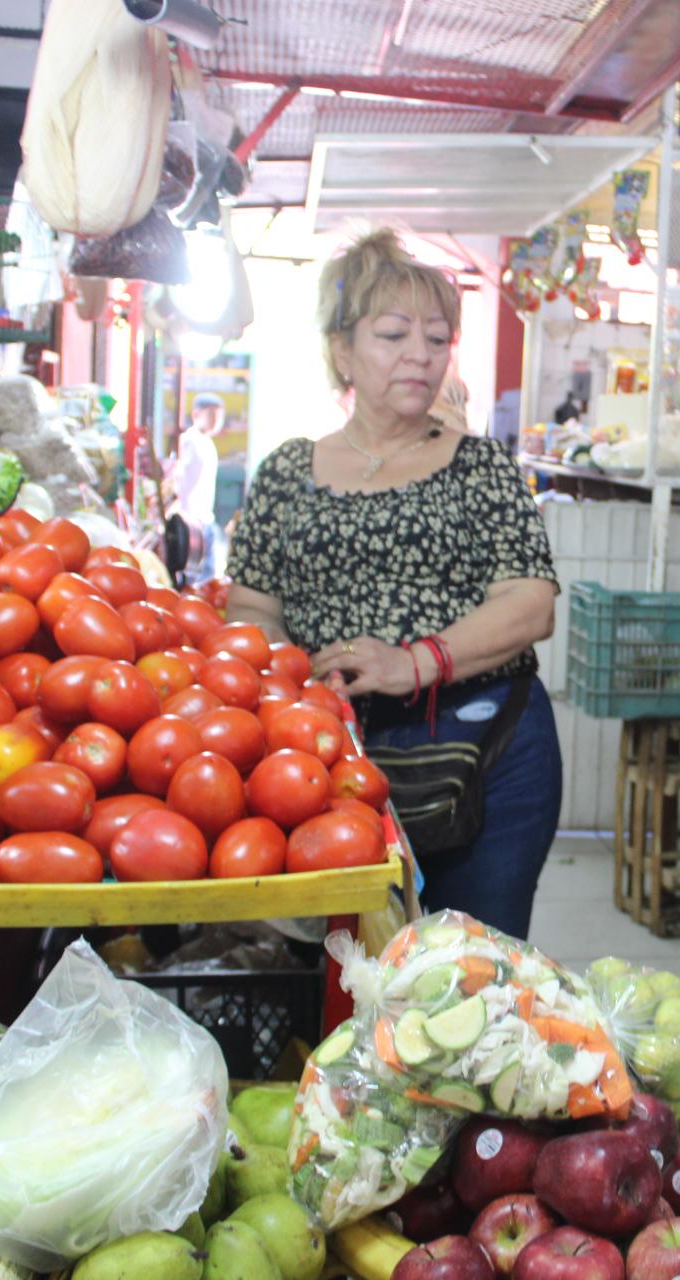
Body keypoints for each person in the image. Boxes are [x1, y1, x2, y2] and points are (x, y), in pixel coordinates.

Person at [225, 228, 562, 939]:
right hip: (331, 755)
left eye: (437, 339)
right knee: (351, 978)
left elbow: (530, 604)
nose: (421, 354)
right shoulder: (287, 472)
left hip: (487, 752)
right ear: (341, 348)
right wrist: (297, 676)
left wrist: (410, 663)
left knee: (474, 969)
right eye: (393, 334)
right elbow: (252, 603)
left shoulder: (482, 468)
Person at [163, 392, 225, 577]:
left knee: (208, 577)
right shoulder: (190, 440)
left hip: (205, 518)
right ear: (196, 414)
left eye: (219, 415)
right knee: (197, 578)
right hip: (191, 521)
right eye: (211, 414)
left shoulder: (208, 443)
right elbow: (177, 479)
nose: (216, 420)